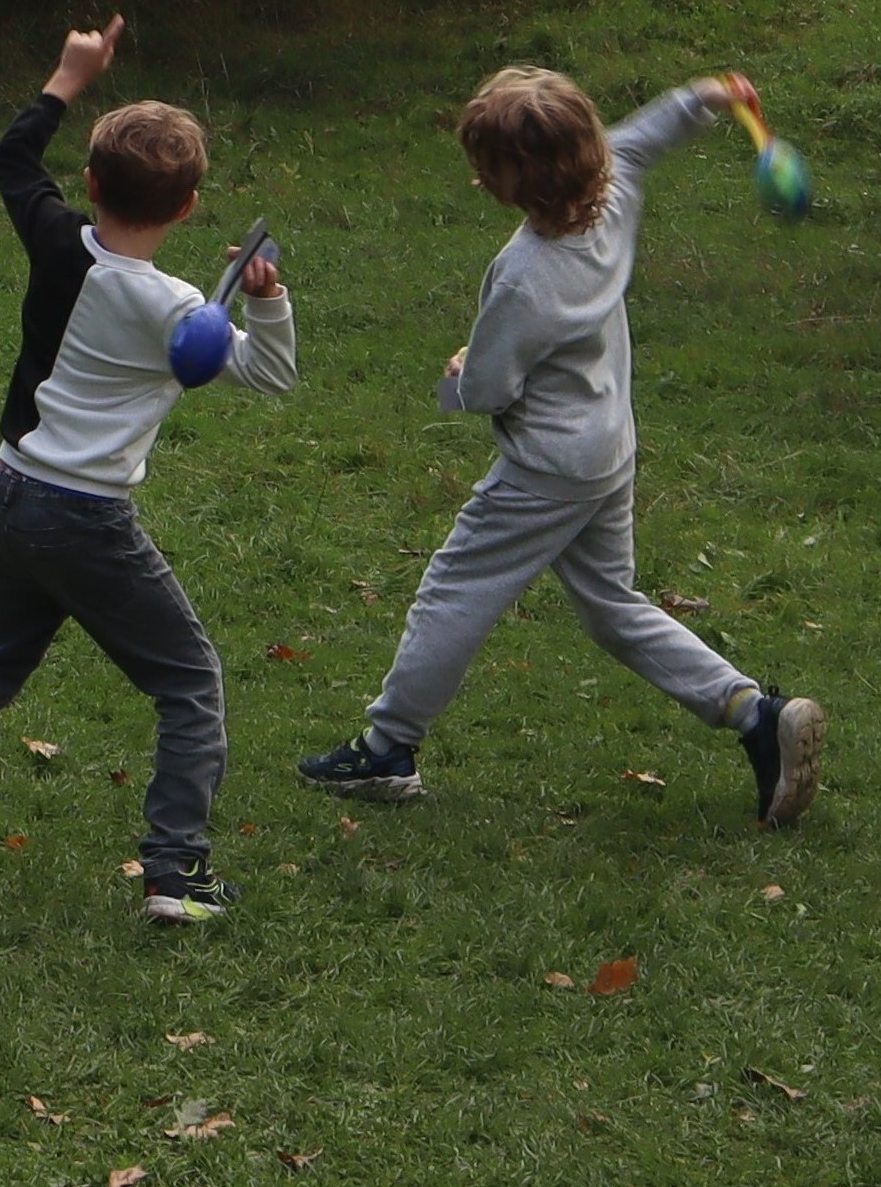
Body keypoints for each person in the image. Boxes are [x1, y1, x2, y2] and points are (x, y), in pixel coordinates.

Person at [0, 16, 296, 922]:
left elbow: (11, 161)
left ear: (91, 183)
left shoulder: (55, 239)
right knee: (189, 682)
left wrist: (67, 80)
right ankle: (176, 873)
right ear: (187, 208)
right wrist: (265, 302)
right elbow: (273, 375)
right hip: (86, 519)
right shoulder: (179, 310)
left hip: (10, 491)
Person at [300, 66, 823, 824]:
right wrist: (709, 96)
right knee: (612, 604)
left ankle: (387, 750)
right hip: (608, 444)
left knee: (453, 590)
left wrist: (454, 376)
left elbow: (487, 391)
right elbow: (645, 135)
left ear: (504, 185)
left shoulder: (521, 278)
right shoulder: (615, 189)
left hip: (546, 468)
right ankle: (754, 714)